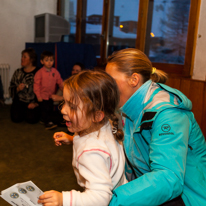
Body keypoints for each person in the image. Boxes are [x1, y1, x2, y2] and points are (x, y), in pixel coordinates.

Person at [105, 48, 206, 206]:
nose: (106, 89)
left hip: (188, 196)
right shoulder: (129, 108)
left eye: (110, 82)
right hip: (159, 188)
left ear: (134, 80)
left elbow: (169, 178)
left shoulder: (168, 113)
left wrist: (113, 200)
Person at [38, 70, 127, 206]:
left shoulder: (90, 152)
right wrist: (72, 138)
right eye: (64, 103)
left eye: (72, 107)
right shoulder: (107, 122)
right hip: (121, 188)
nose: (63, 110)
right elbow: (103, 147)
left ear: (97, 116)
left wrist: (64, 199)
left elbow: (100, 198)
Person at [34, 51, 63, 130]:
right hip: (42, 96)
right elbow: (36, 85)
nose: (49, 62)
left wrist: (64, 88)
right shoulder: (39, 72)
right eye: (47, 60)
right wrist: (38, 96)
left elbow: (60, 81)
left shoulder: (55, 72)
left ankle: (44, 119)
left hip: (50, 95)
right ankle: (47, 122)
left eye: (51, 60)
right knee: (44, 109)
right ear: (42, 61)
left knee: (49, 109)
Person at [9, 48, 40, 123]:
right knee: (16, 118)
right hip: (20, 101)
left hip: (33, 101)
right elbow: (11, 88)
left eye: (24, 57)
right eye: (22, 56)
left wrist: (36, 103)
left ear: (31, 60)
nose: (22, 59)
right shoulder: (18, 72)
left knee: (32, 119)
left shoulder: (39, 72)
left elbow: (44, 90)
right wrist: (18, 89)